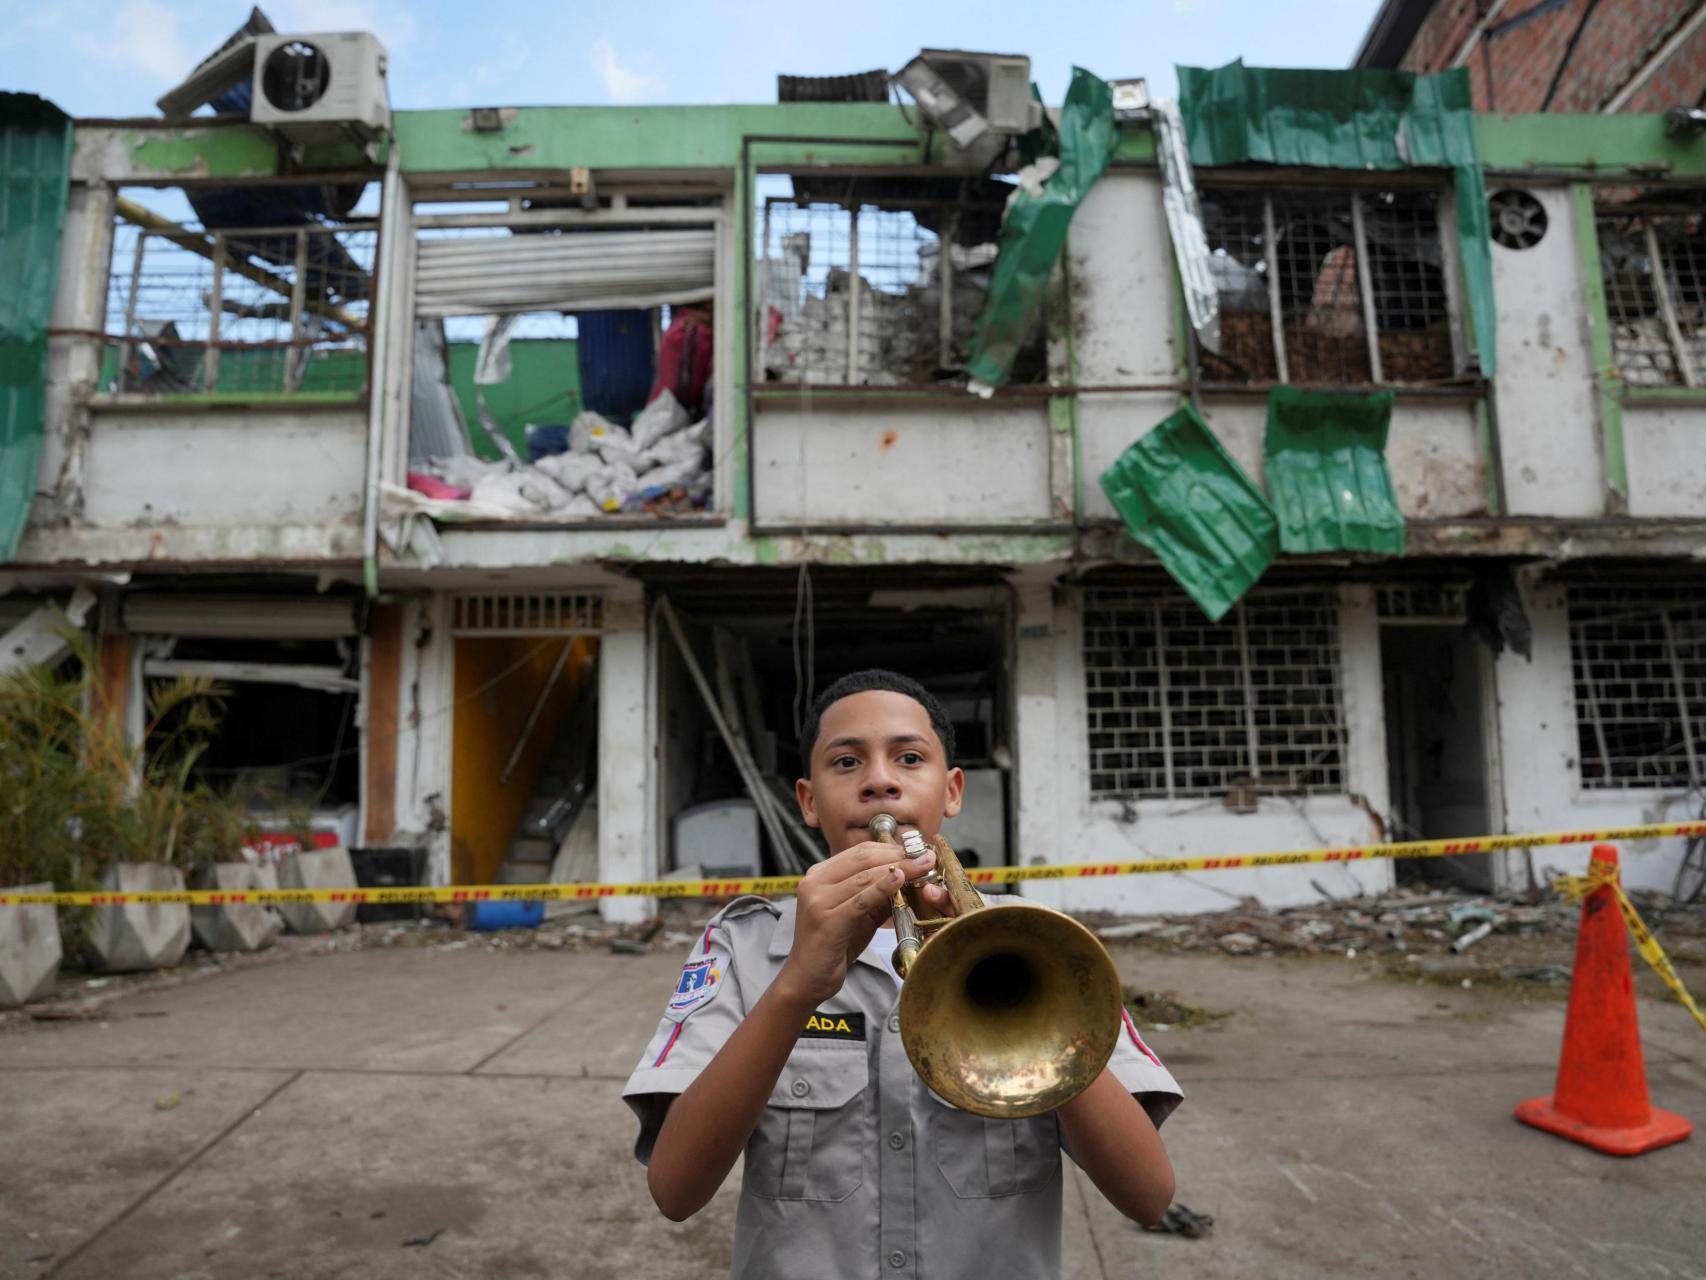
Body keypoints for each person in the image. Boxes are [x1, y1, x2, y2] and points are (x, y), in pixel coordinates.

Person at [623, 669, 1181, 1278]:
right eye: (846, 763)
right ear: (809, 802)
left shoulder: (1046, 947)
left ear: (952, 791)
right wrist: (797, 987)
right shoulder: (743, 943)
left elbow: (1148, 1196)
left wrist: (1037, 1003)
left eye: (909, 758)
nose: (880, 782)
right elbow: (675, 1192)